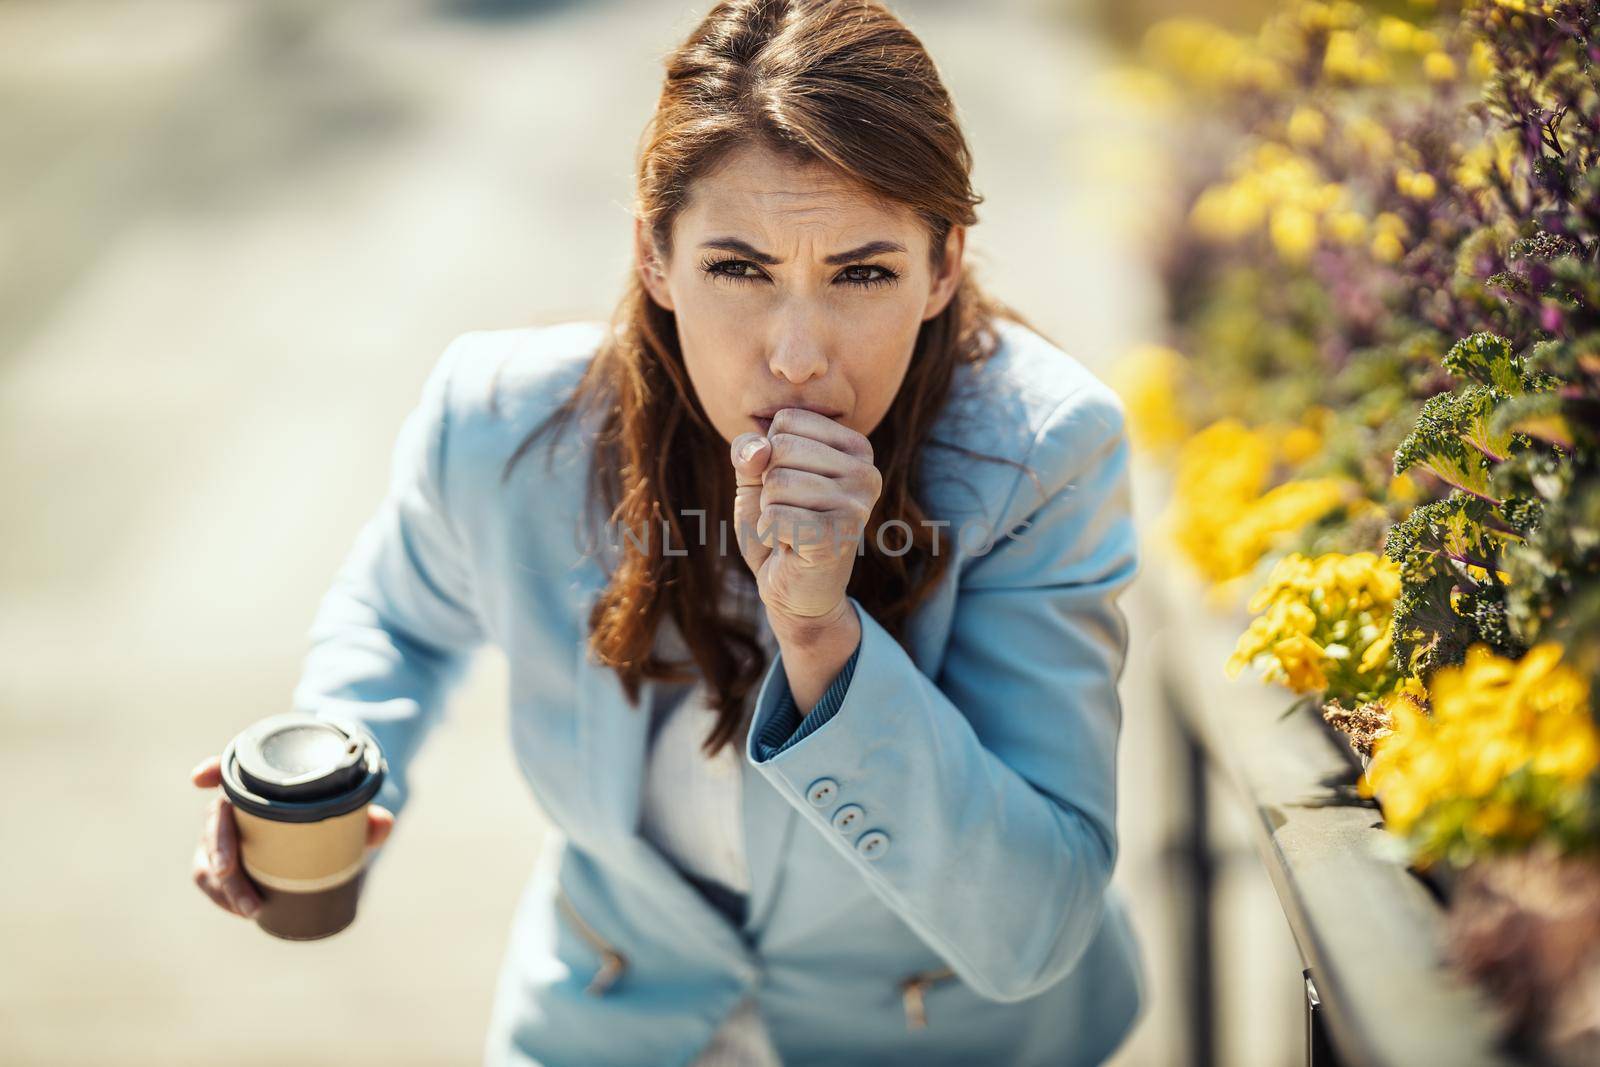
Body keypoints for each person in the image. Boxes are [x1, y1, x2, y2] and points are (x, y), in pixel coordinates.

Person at [189, 0, 1146, 1062]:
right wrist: (341, 768)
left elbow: (1037, 925)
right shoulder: (501, 420)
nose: (795, 353)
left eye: (862, 272)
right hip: (608, 1016)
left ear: (943, 266)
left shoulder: (1043, 451)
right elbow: (396, 615)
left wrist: (821, 636)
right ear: (654, 254)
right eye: (737, 268)